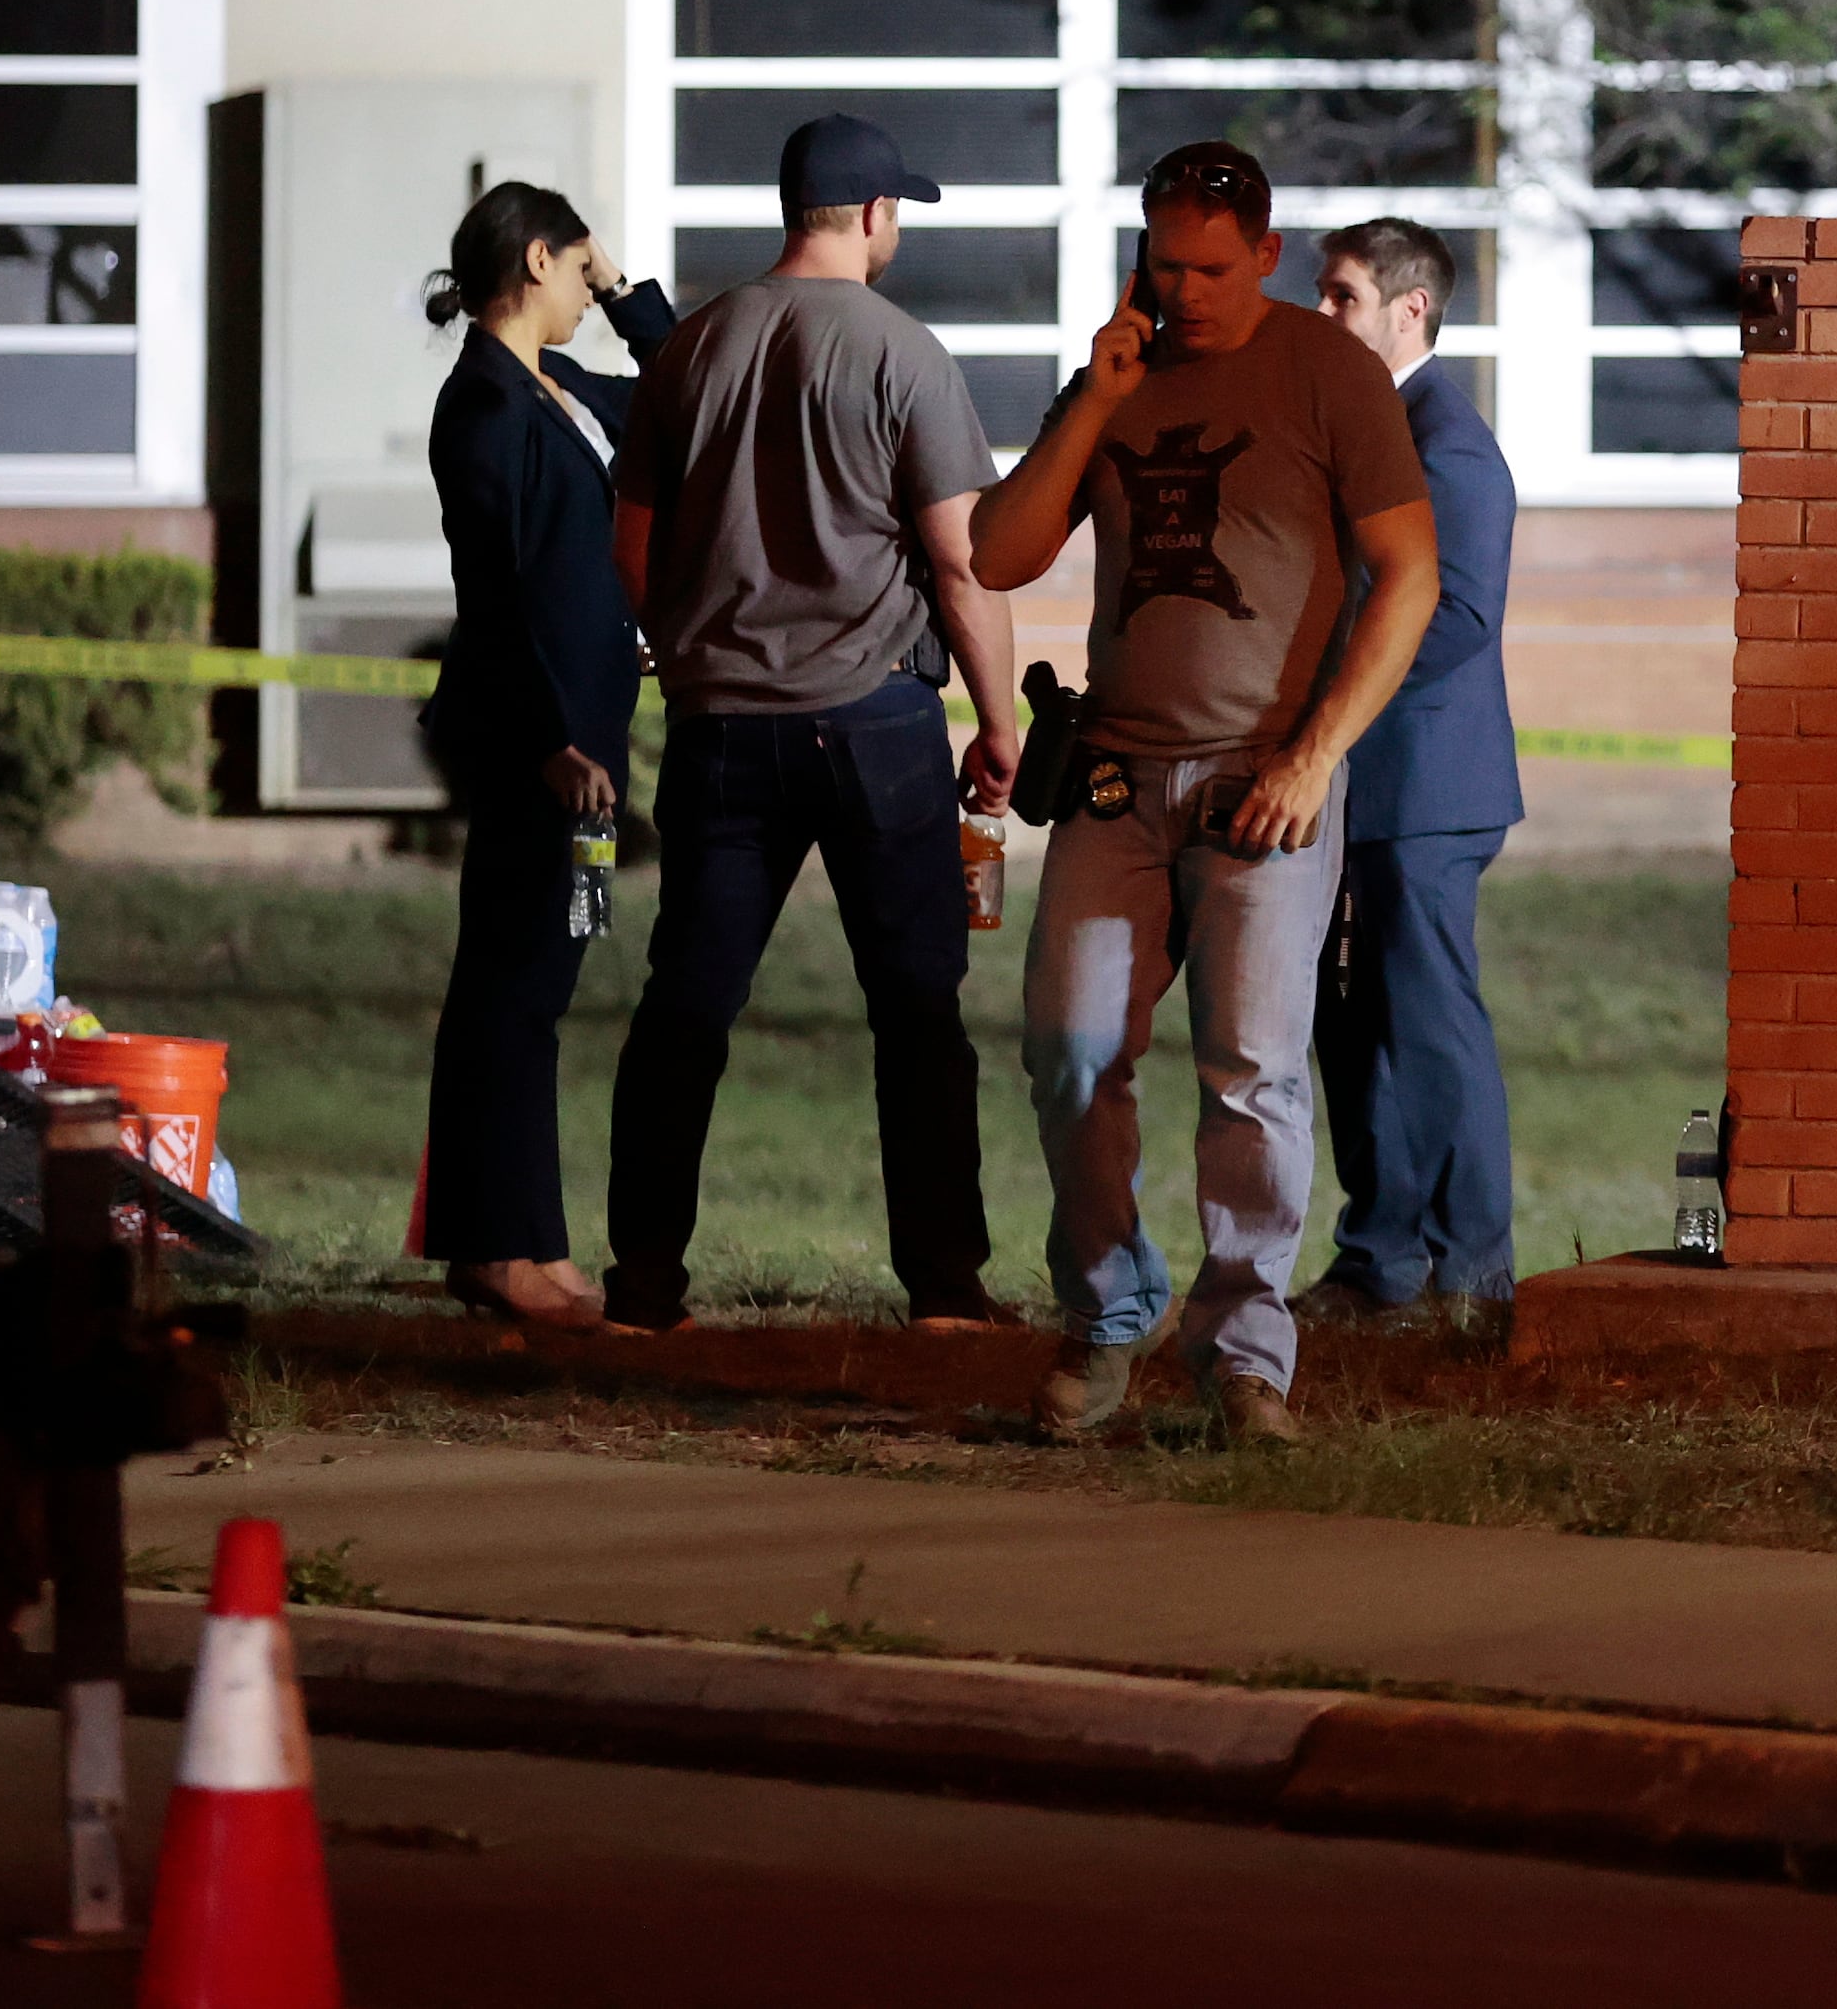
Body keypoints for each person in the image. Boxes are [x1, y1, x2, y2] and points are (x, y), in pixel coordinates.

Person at [971, 141, 1438, 1446]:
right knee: (1069, 1049)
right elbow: (999, 552)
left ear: (1270, 255)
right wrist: (1092, 400)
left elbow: (1408, 575)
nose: (1189, 290)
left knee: (1253, 1075)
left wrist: (1314, 755)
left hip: (1263, 783)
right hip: (1116, 779)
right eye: (1167, 263)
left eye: (1215, 269)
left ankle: (1247, 1359)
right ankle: (1114, 1310)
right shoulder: (1122, 370)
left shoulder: (1331, 373)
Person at [601, 113, 1030, 1334]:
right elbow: (959, 562)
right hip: (877, 724)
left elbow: (630, 539)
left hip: (718, 728)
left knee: (685, 1005)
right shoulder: (903, 353)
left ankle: (644, 1283)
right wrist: (998, 724)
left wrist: (689, 644)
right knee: (916, 1015)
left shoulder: (691, 351)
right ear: (875, 217)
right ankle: (944, 1288)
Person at [416, 182, 678, 1330]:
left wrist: (628, 294)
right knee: (510, 987)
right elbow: (497, 596)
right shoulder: (481, 407)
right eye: (579, 271)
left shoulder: (555, 387)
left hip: (589, 749)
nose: (587, 289)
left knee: (550, 976)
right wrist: (549, 745)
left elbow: (677, 393)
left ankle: (521, 1237)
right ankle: (495, 1246)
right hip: (548, 753)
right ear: (533, 262)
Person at [1295, 219, 1526, 1343]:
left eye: (1340, 297)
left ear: (1410, 311)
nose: (1320, 316)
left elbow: (1458, 618)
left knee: (1431, 1027)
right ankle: (1378, 1258)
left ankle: (1475, 1279)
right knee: (1349, 1024)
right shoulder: (1353, 427)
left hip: (1423, 789)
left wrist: (1326, 693)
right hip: (1344, 779)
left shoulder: (1451, 446)